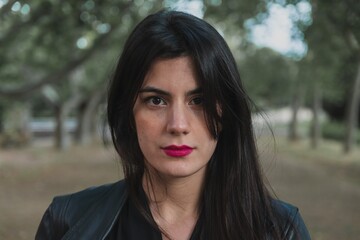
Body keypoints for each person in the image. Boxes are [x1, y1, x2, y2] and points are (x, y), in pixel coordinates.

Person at [36, 10, 311, 240]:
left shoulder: (281, 230)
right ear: (127, 111)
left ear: (226, 111)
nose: (178, 125)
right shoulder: (67, 222)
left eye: (199, 100)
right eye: (156, 100)